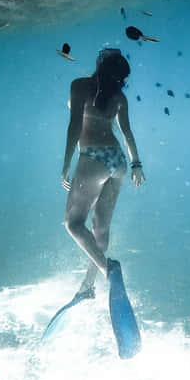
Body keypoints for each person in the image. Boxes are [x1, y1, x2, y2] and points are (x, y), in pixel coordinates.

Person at [61, 48, 145, 299]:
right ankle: (88, 286)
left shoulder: (79, 86)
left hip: (94, 159)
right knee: (100, 228)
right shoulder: (119, 97)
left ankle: (108, 271)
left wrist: (66, 163)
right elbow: (127, 133)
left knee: (73, 224)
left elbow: (75, 125)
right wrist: (136, 164)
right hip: (117, 161)